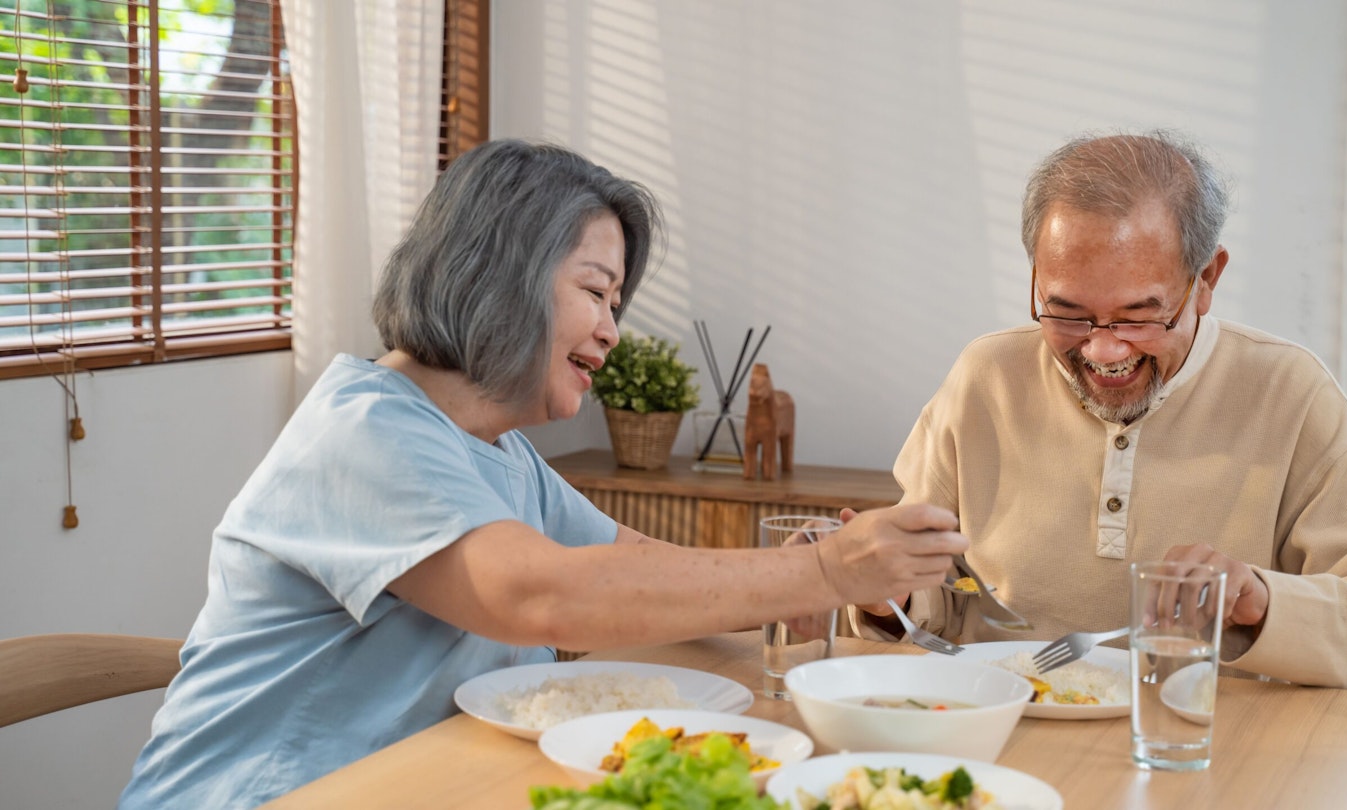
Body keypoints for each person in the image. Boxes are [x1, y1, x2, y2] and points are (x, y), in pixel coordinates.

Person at [119, 140, 968, 808]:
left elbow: (628, 571)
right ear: (504, 275)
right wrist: (818, 569)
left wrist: (811, 578)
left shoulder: (492, 450)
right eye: (597, 292)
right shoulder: (362, 431)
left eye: (616, 304)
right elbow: (547, 597)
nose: (611, 331)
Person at [851, 130, 1347, 694]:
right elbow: (939, 595)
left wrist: (1263, 601)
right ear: (1036, 276)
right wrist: (886, 594)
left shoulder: (1290, 393)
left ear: (1205, 279)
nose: (1103, 349)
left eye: (1138, 316)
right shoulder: (986, 377)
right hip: (1002, 736)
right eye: (1067, 312)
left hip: (1200, 753)